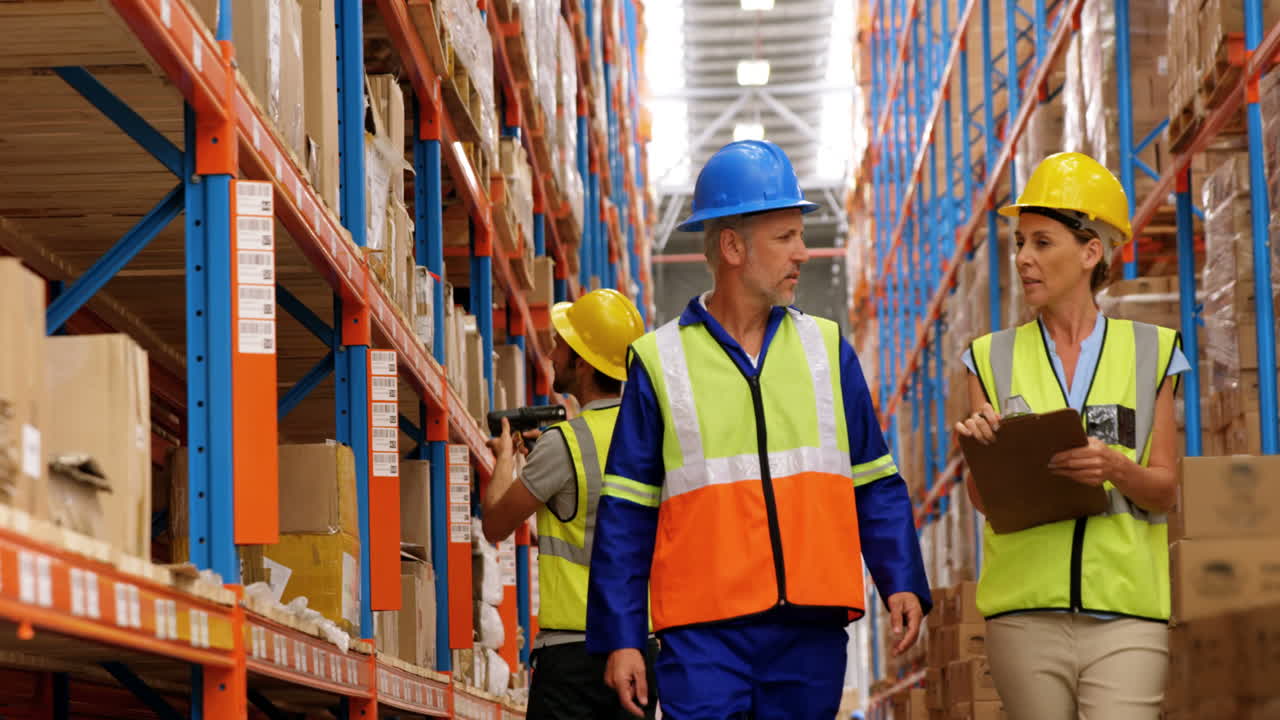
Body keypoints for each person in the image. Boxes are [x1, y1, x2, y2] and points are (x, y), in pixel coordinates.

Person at [584, 139, 932, 719]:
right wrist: (621, 637)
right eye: (785, 237)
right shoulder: (660, 361)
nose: (803, 253)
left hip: (808, 631)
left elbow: (874, 481)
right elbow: (626, 514)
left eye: (801, 235)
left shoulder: (826, 350)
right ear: (732, 247)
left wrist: (900, 578)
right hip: (702, 634)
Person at [954, 152, 1188, 720]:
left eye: (1042, 242)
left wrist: (1116, 469)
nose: (1023, 259)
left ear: (1090, 252)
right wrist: (984, 458)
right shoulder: (987, 358)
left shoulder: (1152, 351)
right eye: (1020, 243)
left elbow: (1165, 491)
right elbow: (983, 502)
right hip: (1024, 615)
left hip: (1127, 613)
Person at [481, 288, 653, 719]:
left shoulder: (565, 444)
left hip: (574, 656)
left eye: (560, 345)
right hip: (640, 647)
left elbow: (495, 523)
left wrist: (505, 459)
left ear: (583, 362)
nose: (551, 355)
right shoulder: (652, 436)